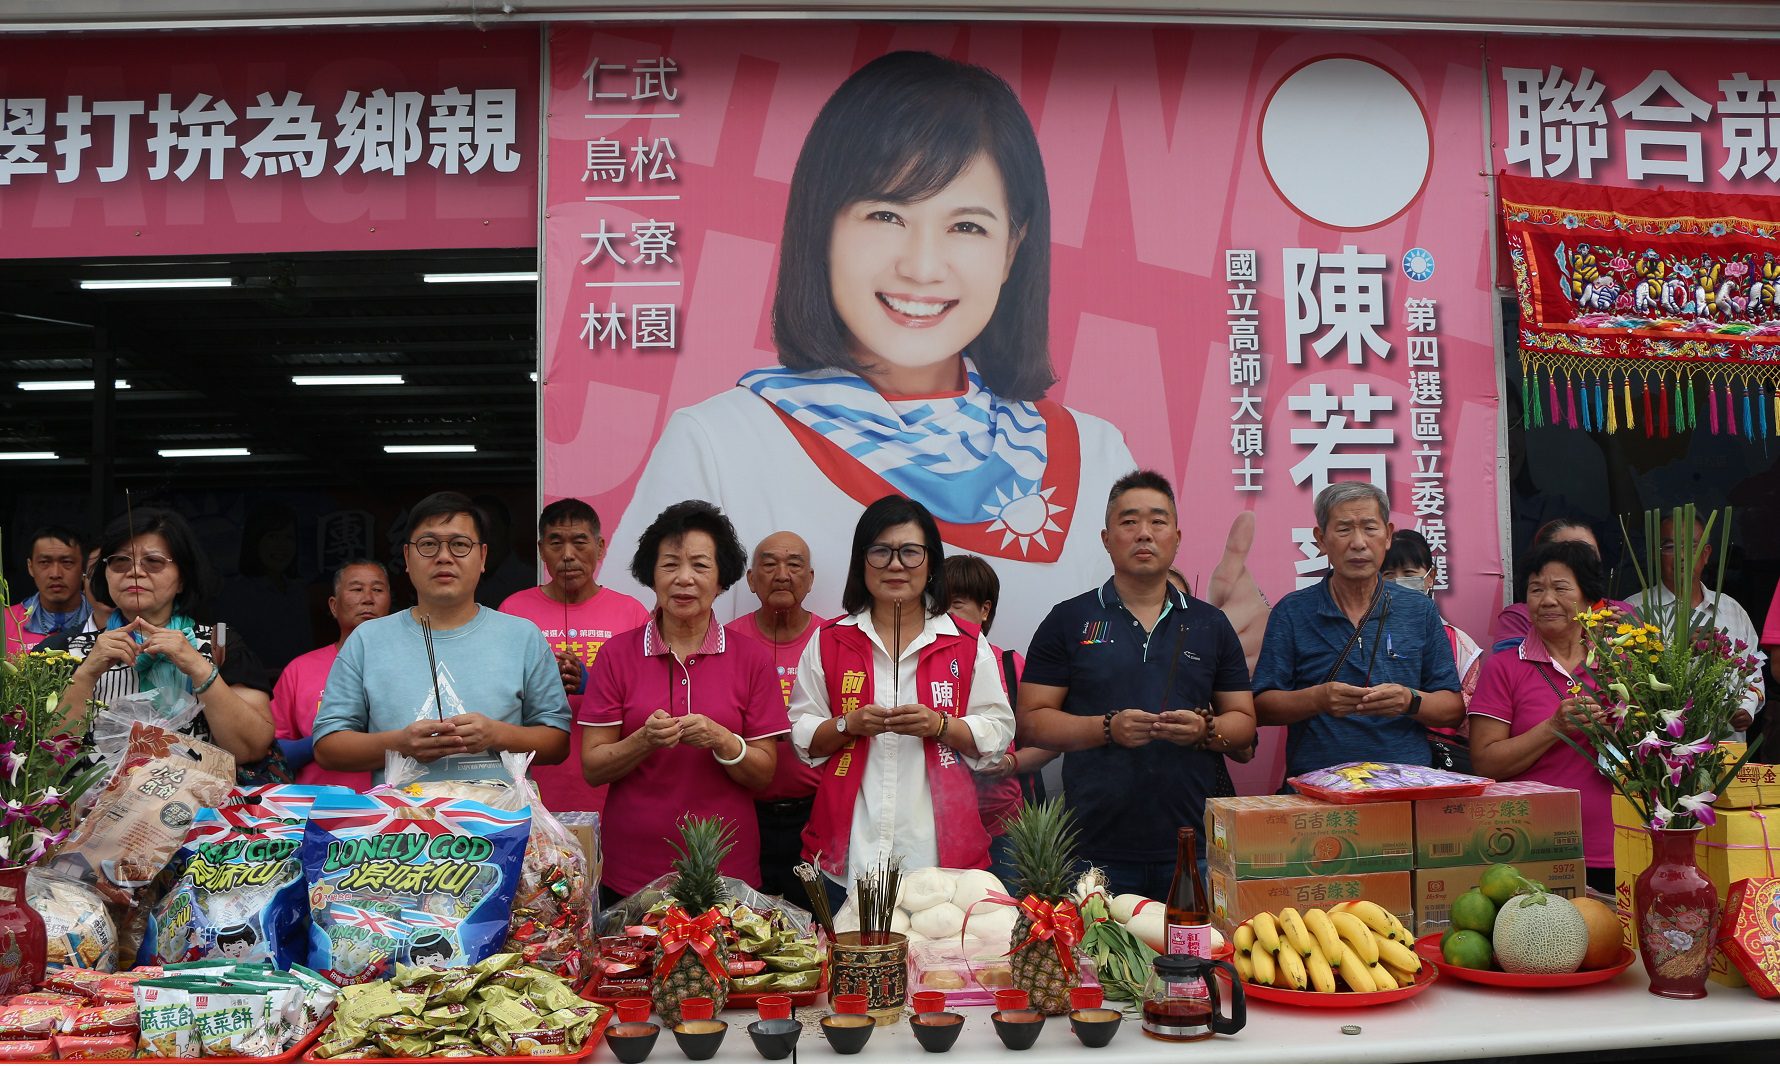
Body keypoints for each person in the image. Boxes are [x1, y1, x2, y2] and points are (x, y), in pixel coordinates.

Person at [600, 50, 1137, 659]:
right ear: (821, 227)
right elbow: (644, 664)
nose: (922, 266)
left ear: (1013, 248)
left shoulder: (1091, 454)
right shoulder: (719, 442)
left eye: (967, 227)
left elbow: (1127, 661)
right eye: (886, 214)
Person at [1018, 471, 1255, 896]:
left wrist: (1205, 731)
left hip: (1192, 847)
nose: (1144, 532)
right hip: (1091, 849)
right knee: (1097, 963)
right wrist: (1107, 728)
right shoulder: (1068, 620)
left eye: (1158, 521)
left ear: (1177, 537)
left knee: (1197, 960)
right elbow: (1032, 721)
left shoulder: (1209, 623)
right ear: (1107, 538)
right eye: (1129, 522)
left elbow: (1244, 721)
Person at [790, 495, 1015, 904]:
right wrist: (847, 725)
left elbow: (997, 732)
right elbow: (804, 736)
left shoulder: (965, 643)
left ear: (931, 563)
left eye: (910, 552)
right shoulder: (829, 641)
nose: (896, 565)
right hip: (850, 857)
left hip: (939, 862)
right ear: (862, 561)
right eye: (881, 551)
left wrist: (941, 726)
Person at [581, 501, 787, 905]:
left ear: (722, 579)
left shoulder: (751, 659)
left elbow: (764, 775)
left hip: (728, 870)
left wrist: (723, 740)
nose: (684, 579)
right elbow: (593, 767)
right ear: (651, 575)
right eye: (671, 565)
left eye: (700, 565)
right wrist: (643, 740)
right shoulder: (616, 655)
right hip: (634, 871)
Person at [312, 492, 571, 784]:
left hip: (499, 824)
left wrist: (497, 734)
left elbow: (558, 742)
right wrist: (400, 744)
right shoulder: (367, 640)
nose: (444, 556)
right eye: (428, 545)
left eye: (460, 545)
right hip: (402, 824)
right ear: (407, 558)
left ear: (483, 556)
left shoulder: (523, 636)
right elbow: (327, 746)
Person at [1252, 481, 1464, 780]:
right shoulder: (1292, 611)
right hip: (1319, 784)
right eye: (1344, 529)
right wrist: (1318, 699)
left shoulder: (1419, 609)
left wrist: (1409, 700)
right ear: (1321, 539)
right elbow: (1260, 708)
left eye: (1369, 528)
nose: (1359, 542)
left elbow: (1453, 709)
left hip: (1406, 783)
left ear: (1388, 535)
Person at [46, 508, 276, 768]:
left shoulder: (219, 645)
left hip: (196, 804)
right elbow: (47, 755)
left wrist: (199, 668)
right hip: (92, 805)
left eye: (153, 562)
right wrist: (86, 674)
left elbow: (251, 748)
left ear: (182, 579)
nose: (134, 572)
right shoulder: (61, 652)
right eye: (120, 561)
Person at [1468, 540, 1618, 895]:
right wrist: (1554, 727)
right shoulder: (1504, 667)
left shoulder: (1623, 663)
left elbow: (1655, 752)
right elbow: (1486, 762)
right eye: (1536, 590)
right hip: (1530, 849)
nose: (1547, 600)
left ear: (1588, 598)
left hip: (1616, 844)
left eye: (1561, 588)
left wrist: (1620, 729)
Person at [499, 499, 650, 814]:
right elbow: (496, 697)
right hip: (532, 787)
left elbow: (649, 701)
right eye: (556, 543)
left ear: (600, 547)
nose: (568, 555)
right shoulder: (513, 610)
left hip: (610, 786)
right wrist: (540, 685)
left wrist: (592, 685)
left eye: (580, 542)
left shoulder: (632, 612)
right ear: (541, 550)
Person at [943, 553, 1058, 889]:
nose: (946, 616)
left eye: (958, 604)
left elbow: (1049, 742)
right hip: (942, 832)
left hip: (1006, 830)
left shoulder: (1010, 665)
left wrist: (1010, 762)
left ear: (985, 610)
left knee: (1013, 929)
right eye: (938, 606)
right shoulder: (916, 670)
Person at [727, 531, 830, 901]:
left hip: (817, 814)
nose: (782, 574)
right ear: (752, 580)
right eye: (769, 565)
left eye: (794, 564)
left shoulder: (833, 641)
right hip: (742, 812)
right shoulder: (726, 642)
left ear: (811, 578)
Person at [1635, 513, 1766, 738]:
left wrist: (1747, 708)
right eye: (1670, 547)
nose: (1682, 556)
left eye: (1692, 547)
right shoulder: (1635, 611)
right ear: (1656, 556)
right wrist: (1678, 652)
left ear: (1706, 554)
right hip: (1662, 755)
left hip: (1725, 752)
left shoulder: (1731, 610)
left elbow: (1754, 673)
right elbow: (1630, 689)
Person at [268, 560, 392, 791]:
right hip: (317, 810)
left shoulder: (408, 664)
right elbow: (274, 753)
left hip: (393, 809)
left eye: (377, 590)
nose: (368, 598)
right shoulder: (300, 669)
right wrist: (329, 741)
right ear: (334, 606)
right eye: (356, 589)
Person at [1382, 529, 1483, 773]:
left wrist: (1411, 703)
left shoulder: (1460, 645)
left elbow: (1470, 722)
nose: (1398, 583)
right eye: (1388, 575)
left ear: (1430, 577)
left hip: (1439, 767)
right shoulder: (1360, 635)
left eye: (1409, 574)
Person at [1491, 518, 1634, 652]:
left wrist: (1636, 637)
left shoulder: (1622, 611)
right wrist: (1585, 635)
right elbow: (1511, 666)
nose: (1580, 558)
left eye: (1589, 551)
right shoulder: (1519, 616)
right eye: (1568, 550)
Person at [5, 526, 88, 654]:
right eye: (44, 562)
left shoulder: (104, 619)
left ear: (83, 566)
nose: (55, 574)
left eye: (67, 562)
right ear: (30, 567)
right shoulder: (5, 621)